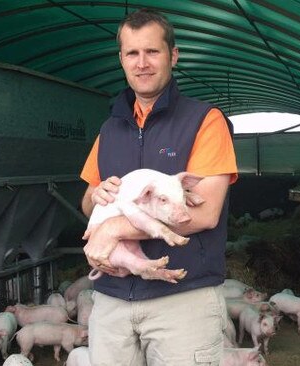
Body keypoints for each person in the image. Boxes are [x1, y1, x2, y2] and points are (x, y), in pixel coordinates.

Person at [79, 8, 238, 366]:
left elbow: (206, 213)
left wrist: (112, 229)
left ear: (173, 55)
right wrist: (97, 195)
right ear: (121, 59)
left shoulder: (204, 121)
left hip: (182, 301)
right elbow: (88, 202)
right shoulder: (109, 130)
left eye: (152, 52)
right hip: (112, 300)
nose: (142, 63)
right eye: (132, 53)